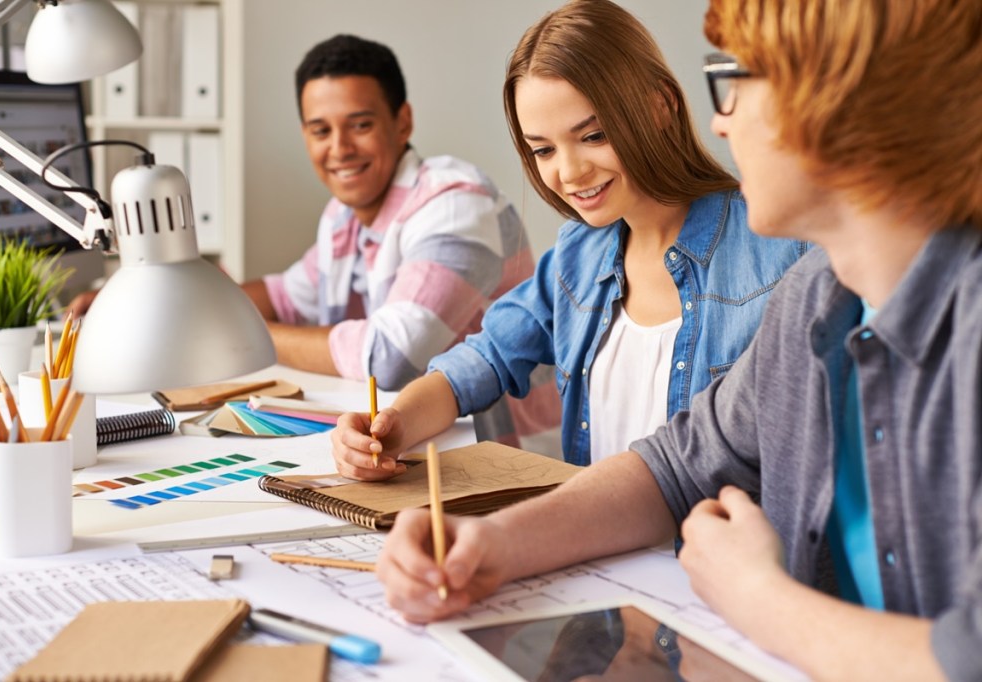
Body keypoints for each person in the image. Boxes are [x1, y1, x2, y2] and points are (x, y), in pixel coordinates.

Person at [374, 0, 982, 679]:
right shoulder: (814, 298)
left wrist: (759, 596)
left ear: (840, 104)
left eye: (736, 81)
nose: (719, 119)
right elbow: (674, 468)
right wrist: (493, 544)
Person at [330, 0, 805, 479]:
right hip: (587, 527)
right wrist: (392, 425)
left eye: (593, 136)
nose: (570, 171)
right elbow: (483, 360)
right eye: (543, 150)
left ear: (661, 106)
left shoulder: (785, 250)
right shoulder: (578, 254)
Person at [69, 36, 541, 395]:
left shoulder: (454, 203)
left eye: (360, 125)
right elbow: (284, 297)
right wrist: (152, 308)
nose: (339, 149)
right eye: (320, 130)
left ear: (403, 122)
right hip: (413, 446)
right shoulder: (343, 216)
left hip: (503, 464)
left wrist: (233, 335)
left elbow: (389, 360)